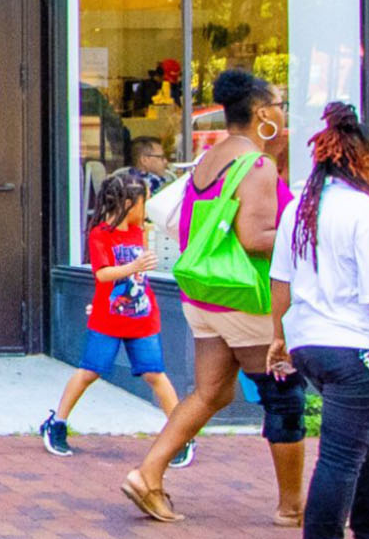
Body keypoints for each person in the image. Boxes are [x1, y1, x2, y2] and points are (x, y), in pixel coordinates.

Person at [122, 69, 307, 526]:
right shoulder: (255, 164)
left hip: (203, 294)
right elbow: (254, 235)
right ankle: (290, 508)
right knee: (283, 396)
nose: (284, 111)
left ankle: (148, 473)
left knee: (211, 392)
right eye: (279, 104)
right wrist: (307, 231)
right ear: (262, 112)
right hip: (245, 297)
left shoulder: (211, 158)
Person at [274, 102, 369, 539]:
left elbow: (280, 279)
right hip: (359, 352)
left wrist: (279, 338)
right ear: (365, 161)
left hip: (311, 346)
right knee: (341, 456)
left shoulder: (302, 206)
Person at [45, 170, 185, 459]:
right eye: (144, 202)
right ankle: (57, 423)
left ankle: (180, 435)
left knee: (155, 374)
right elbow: (103, 274)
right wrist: (133, 267)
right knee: (89, 371)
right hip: (108, 319)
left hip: (143, 318)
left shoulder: (140, 231)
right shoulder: (100, 236)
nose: (146, 209)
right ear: (130, 204)